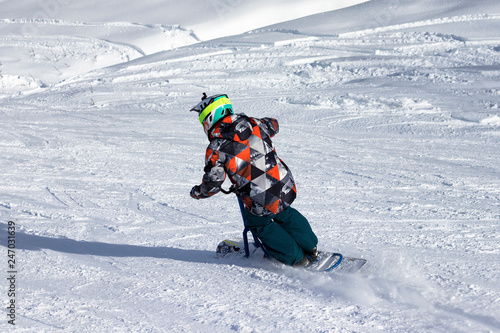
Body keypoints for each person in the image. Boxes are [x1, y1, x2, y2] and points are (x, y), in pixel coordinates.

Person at [189, 93, 318, 267]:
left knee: (259, 223)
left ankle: (295, 258)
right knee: (284, 212)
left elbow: (214, 183)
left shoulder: (216, 147)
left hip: (260, 197)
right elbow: (274, 125)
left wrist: (198, 192)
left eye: (203, 121)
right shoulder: (254, 123)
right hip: (285, 185)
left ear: (211, 118)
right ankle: (311, 246)